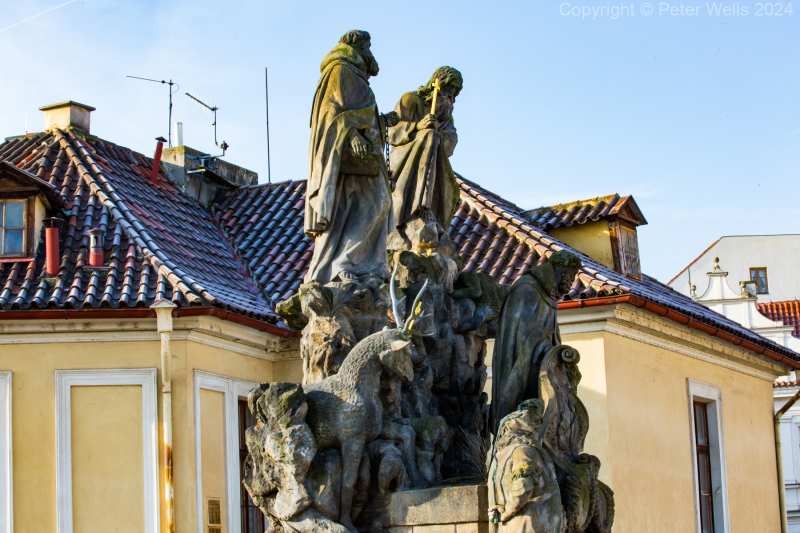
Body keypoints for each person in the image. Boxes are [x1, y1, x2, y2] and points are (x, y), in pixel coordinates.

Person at [305, 30, 396, 284]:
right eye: (367, 46)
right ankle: (343, 263)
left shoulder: (354, 75)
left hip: (365, 156)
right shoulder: (340, 70)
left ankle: (367, 265)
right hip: (348, 155)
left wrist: (382, 121)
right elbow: (331, 114)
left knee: (376, 204)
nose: (370, 52)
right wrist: (353, 136)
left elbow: (360, 115)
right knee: (368, 205)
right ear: (357, 46)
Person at [490, 251, 582, 435]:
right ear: (561, 271)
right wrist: (547, 347)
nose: (572, 282)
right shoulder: (527, 289)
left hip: (540, 363)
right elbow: (522, 338)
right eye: (571, 276)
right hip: (523, 367)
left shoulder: (549, 295)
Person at [387, 66, 463, 231]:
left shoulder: (445, 116)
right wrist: (417, 126)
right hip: (404, 157)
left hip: (432, 162)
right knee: (430, 135)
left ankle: (434, 215)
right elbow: (391, 132)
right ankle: (421, 206)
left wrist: (438, 131)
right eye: (447, 89)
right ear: (437, 84)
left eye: (454, 93)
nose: (450, 95)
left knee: (452, 187)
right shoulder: (411, 99)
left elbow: (452, 140)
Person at [488, 399, 565, 533]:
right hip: (530, 525)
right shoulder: (523, 451)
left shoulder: (498, 459)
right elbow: (523, 486)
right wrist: (506, 513)